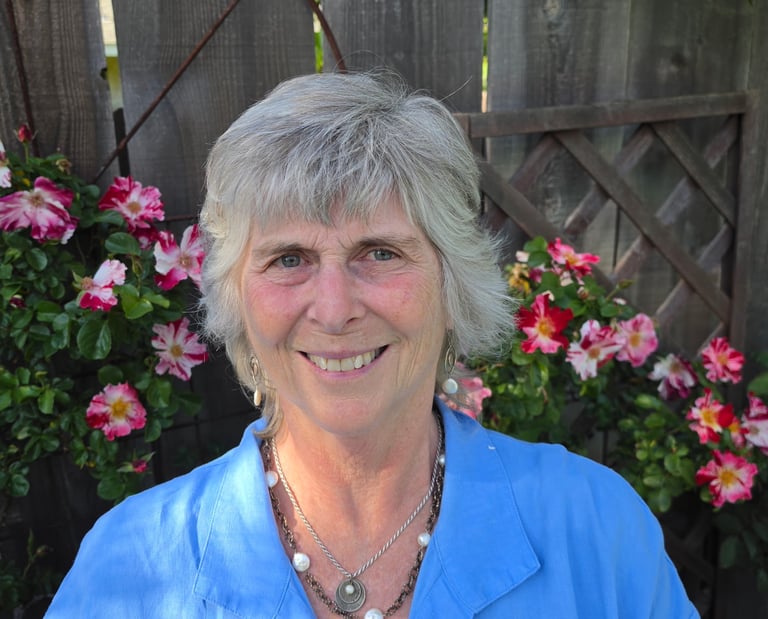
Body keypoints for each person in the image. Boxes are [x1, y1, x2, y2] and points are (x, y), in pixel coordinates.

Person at [45, 71, 699, 618]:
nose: (334, 310)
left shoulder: (595, 529)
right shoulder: (128, 567)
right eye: (289, 257)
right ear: (238, 298)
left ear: (451, 282)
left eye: (379, 252)